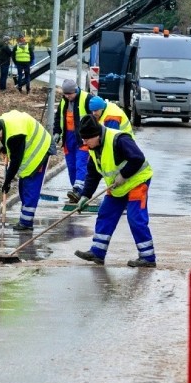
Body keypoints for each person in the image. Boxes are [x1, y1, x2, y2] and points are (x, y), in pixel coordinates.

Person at [73, 115, 156, 268]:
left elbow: (137, 158)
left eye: (86, 139)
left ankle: (147, 258)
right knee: (105, 214)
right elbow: (93, 174)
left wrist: (124, 174)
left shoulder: (119, 139)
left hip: (137, 182)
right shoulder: (93, 147)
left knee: (135, 218)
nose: (84, 142)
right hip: (117, 187)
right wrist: (85, 195)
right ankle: (97, 252)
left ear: (96, 135)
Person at [0, 111, 52, 231]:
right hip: (30, 145)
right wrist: (5, 147)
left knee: (30, 187)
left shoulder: (15, 135)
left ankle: (26, 222)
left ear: (0, 128)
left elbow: (15, 162)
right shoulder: (3, 122)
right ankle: (24, 219)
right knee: (23, 186)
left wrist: (7, 181)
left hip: (41, 149)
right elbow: (7, 141)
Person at [55, 79, 93, 202]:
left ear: (75, 91)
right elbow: (58, 117)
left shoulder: (86, 99)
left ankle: (79, 191)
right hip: (68, 139)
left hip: (83, 138)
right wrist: (57, 132)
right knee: (71, 166)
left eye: (69, 94)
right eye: (65, 94)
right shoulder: (64, 101)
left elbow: (94, 118)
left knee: (80, 165)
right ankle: (75, 191)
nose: (67, 96)